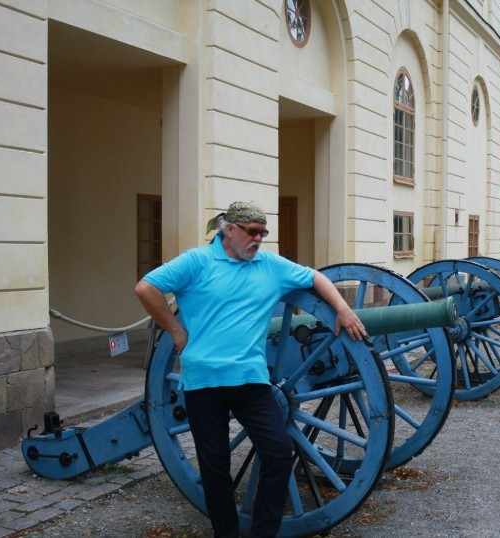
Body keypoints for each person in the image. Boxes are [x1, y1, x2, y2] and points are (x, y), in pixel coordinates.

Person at [134, 201, 367, 538]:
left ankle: (263, 532)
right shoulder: (197, 261)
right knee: (215, 467)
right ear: (229, 229)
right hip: (203, 382)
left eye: (263, 233)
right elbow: (146, 287)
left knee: (279, 452)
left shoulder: (269, 265)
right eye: (252, 232)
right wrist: (175, 330)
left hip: (251, 380)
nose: (258, 239)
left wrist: (343, 310)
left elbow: (315, 277)